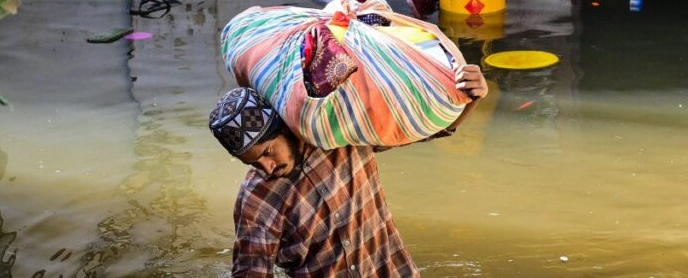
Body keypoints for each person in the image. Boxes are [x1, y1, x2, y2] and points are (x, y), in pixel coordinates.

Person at [208, 65, 488, 277]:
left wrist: (470, 98)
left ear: (283, 127)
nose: (267, 168)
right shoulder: (256, 202)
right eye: (254, 163)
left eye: (268, 152)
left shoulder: (338, 132)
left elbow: (427, 129)